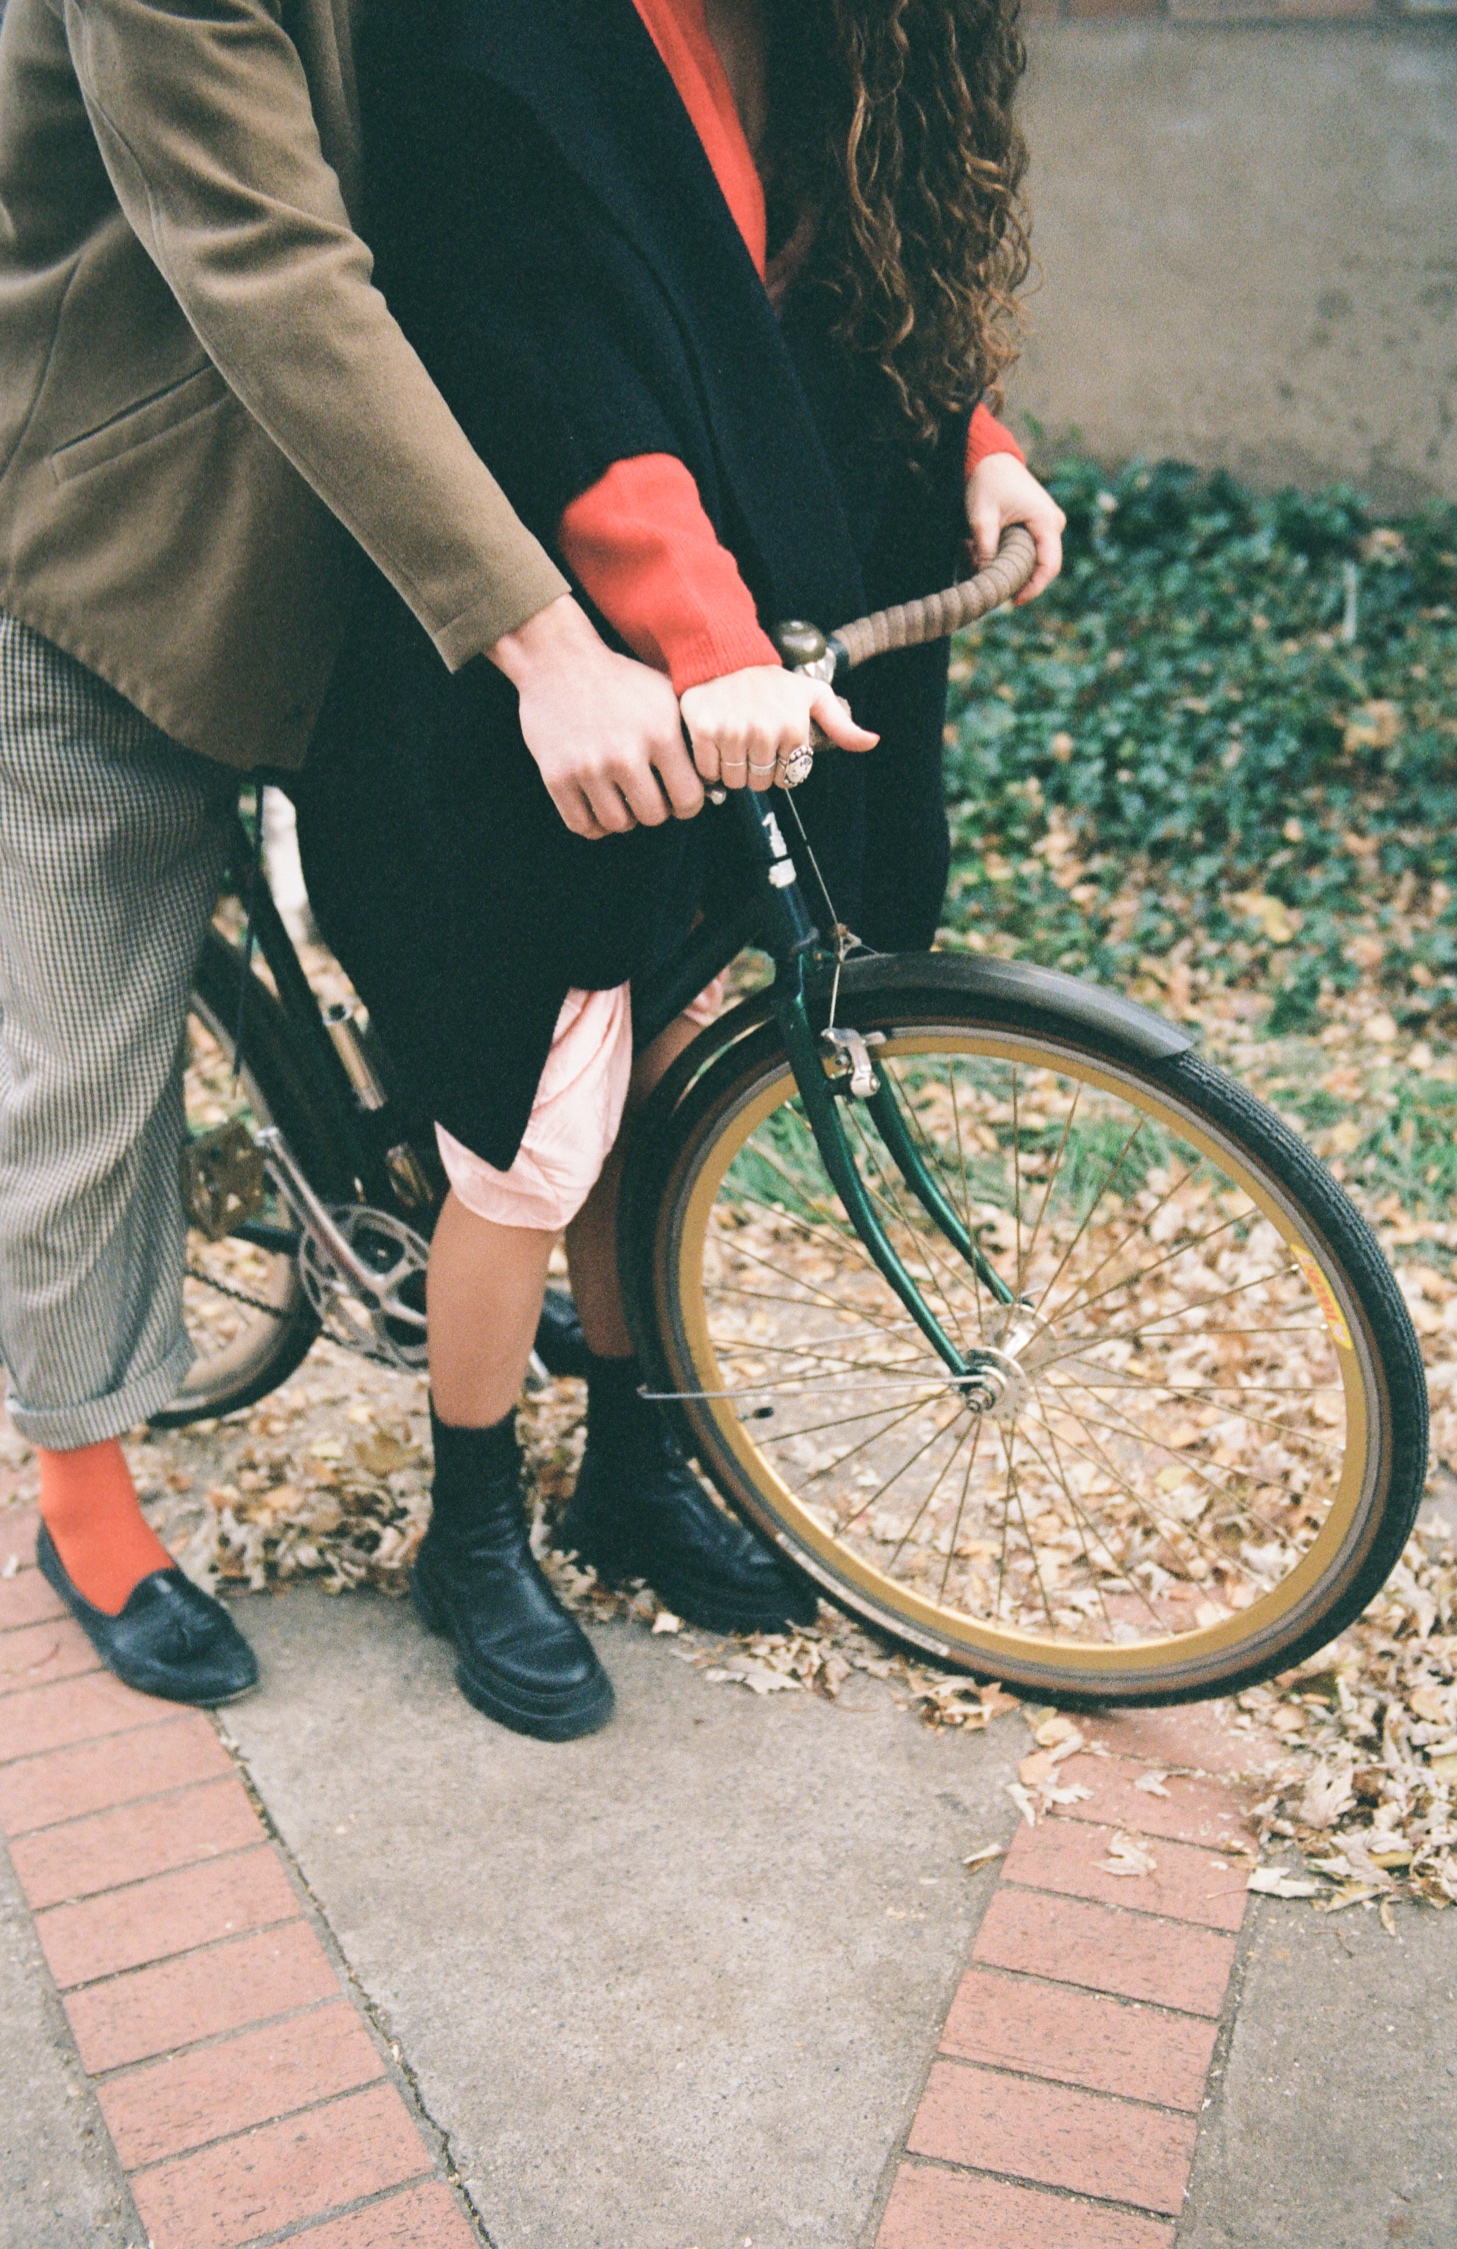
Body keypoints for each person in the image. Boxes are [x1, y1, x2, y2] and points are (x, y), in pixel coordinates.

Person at [294, 0, 1066, 1742]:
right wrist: (708, 643)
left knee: (659, 1065)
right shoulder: (496, 33)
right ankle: (470, 1523)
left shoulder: (813, 30)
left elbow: (839, 276)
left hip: (725, 680)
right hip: (534, 667)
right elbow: (545, 354)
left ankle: (633, 1458)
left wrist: (975, 442)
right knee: (534, 1122)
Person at [0, 0, 704, 1707]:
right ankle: (82, 1495)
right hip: (111, 545)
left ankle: (434, 1244)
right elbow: (269, 268)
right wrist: (548, 644)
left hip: (380, 521)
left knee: (473, 934)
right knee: (88, 1046)